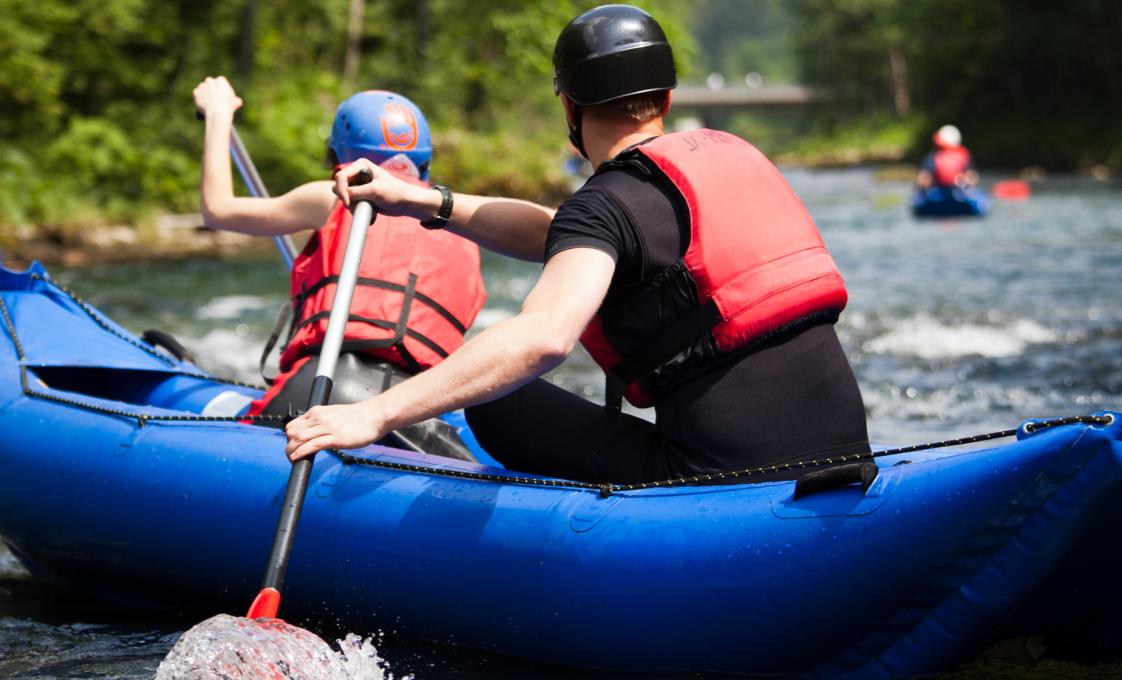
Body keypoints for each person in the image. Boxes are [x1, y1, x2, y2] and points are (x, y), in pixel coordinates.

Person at [284, 5, 869, 484]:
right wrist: (422, 200)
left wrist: (375, 413)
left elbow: (544, 337)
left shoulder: (606, 206)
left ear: (569, 104)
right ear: (665, 100)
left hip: (721, 478)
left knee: (497, 401)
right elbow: (562, 233)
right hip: (845, 452)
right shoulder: (725, 161)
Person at [192, 77, 486, 457]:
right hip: (416, 408)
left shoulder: (333, 196)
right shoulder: (459, 222)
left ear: (338, 156)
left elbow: (217, 209)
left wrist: (218, 114)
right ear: (424, 163)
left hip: (323, 385)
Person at [916, 124, 978, 189]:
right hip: (945, 190)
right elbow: (973, 177)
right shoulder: (964, 155)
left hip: (948, 190)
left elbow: (922, 179)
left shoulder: (933, 156)